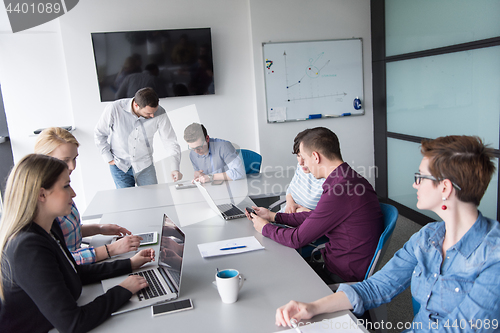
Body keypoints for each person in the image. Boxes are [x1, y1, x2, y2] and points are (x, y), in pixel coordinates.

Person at [275, 135, 500, 332]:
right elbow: (378, 286)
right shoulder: (428, 236)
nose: (415, 185)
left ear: (445, 188)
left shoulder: (493, 256)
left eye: (420, 177)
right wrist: (311, 308)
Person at [0, 154, 155, 333]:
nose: (73, 193)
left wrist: (129, 264)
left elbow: (72, 272)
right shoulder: (27, 248)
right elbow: (73, 323)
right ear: (41, 194)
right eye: (66, 186)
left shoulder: (49, 228)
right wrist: (122, 290)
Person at [246, 127, 383, 283]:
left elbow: (296, 239)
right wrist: (273, 216)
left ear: (315, 157)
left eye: (303, 158)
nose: (303, 164)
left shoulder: (340, 189)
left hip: (341, 276)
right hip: (339, 264)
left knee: (273, 275)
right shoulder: (347, 178)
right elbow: (316, 217)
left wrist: (264, 227)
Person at [35, 127, 142, 265]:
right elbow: (60, 261)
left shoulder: (61, 190)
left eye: (74, 159)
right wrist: (111, 249)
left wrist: (100, 229)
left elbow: (69, 233)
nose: (72, 166)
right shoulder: (43, 204)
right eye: (65, 160)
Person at [95, 87, 183, 188]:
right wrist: (108, 159)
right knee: (127, 202)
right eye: (148, 113)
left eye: (154, 112)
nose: (152, 116)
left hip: (145, 165)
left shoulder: (160, 112)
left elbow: (170, 142)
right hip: (120, 166)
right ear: (136, 105)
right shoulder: (115, 108)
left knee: (152, 199)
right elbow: (99, 133)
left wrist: (175, 168)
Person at [280, 130, 325, 213]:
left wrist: (301, 211)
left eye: (304, 157)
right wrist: (290, 203)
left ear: (315, 156)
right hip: (285, 216)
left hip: (299, 222)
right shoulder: (301, 168)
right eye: (298, 156)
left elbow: (322, 218)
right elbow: (290, 190)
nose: (300, 162)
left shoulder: (328, 181)